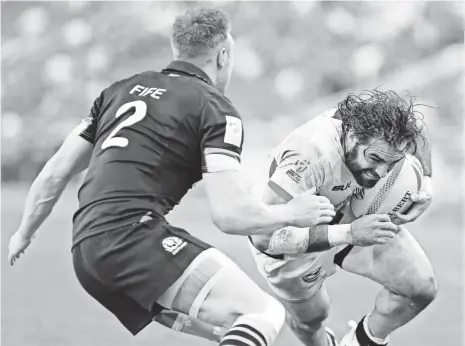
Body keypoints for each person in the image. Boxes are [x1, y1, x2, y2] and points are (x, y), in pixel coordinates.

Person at [7, 8, 338, 346]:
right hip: (131, 240)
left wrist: (23, 233)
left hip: (86, 253)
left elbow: (54, 173)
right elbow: (230, 215)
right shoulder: (214, 108)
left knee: (244, 330)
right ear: (223, 55)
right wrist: (292, 214)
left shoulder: (119, 91)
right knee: (262, 315)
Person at [247, 90, 436, 346]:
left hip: (351, 213)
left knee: (420, 288)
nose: (381, 172)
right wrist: (348, 233)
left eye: (391, 164)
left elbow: (416, 129)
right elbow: (261, 235)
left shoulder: (379, 124)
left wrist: (426, 183)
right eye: (375, 158)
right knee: (313, 319)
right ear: (352, 136)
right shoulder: (312, 154)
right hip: (291, 234)